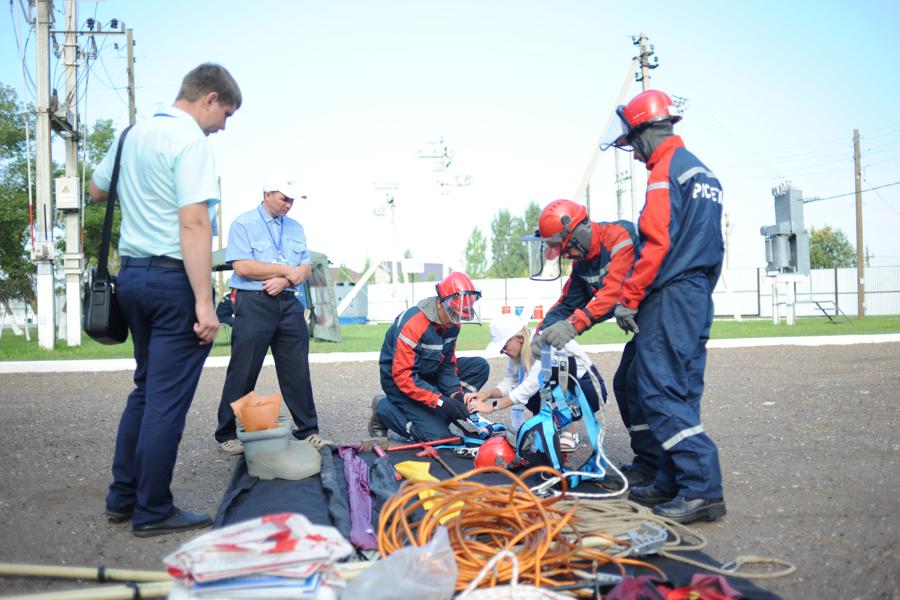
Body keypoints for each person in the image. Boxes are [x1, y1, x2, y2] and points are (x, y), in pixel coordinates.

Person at [90, 63, 241, 537]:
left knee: (146, 390)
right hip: (173, 281)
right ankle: (152, 510)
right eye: (227, 114)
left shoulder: (131, 134)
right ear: (209, 98)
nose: (223, 126)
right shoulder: (190, 141)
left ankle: (123, 497)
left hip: (131, 276)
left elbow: (96, 191)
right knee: (165, 402)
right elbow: (194, 223)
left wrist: (141, 196)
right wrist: (204, 302)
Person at [601, 89, 726, 524]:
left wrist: (629, 299)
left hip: (669, 294)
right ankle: (673, 481)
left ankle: (703, 488)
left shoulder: (664, 169)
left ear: (644, 131)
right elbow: (713, 244)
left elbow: (655, 242)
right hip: (695, 294)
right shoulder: (703, 173)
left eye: (633, 143)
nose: (634, 153)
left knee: (656, 390)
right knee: (683, 390)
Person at [523, 199, 657, 484]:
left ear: (578, 230)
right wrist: (540, 334)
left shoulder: (619, 239)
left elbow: (612, 293)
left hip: (663, 314)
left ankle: (662, 467)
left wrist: (572, 327)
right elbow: (567, 303)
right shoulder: (583, 264)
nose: (566, 254)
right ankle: (648, 463)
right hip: (645, 325)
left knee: (639, 382)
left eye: (564, 245)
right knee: (624, 383)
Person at [214, 178, 328, 454]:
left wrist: (286, 280)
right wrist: (286, 272)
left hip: (289, 303)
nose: (289, 204)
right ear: (267, 194)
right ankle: (226, 433)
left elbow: (304, 267)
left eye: (292, 200)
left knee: (296, 370)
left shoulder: (296, 227)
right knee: (244, 368)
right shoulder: (243, 224)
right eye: (283, 198)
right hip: (254, 302)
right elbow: (242, 267)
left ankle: (308, 431)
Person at [368, 271, 490, 442]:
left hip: (428, 375)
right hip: (399, 383)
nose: (456, 321)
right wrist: (441, 401)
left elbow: (447, 365)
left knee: (479, 367)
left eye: (460, 315)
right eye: (454, 314)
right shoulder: (413, 325)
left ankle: (435, 416)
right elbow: (404, 377)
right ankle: (383, 408)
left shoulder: (452, 321)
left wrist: (456, 395)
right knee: (437, 437)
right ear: (440, 303)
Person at [464, 313, 602, 452]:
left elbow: (530, 386)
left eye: (504, 346)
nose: (502, 351)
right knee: (532, 392)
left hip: (591, 390)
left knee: (549, 375)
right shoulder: (520, 350)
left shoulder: (545, 342)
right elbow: (510, 381)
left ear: (519, 338)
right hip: (572, 387)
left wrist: (491, 407)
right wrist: (486, 395)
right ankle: (551, 426)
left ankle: (569, 432)